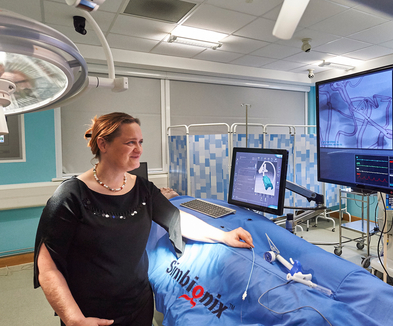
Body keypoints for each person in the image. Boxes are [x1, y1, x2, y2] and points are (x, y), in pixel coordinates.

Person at [34, 112, 254, 326]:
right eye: (130, 143)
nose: (139, 150)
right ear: (103, 144)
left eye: (140, 142)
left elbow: (176, 219)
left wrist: (224, 236)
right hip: (89, 312)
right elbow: (47, 267)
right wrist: (73, 319)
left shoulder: (142, 190)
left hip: (138, 305)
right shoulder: (70, 196)